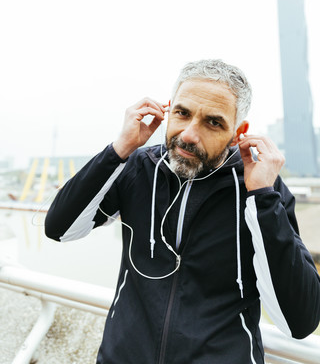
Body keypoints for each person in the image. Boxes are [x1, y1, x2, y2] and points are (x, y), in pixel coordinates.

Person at [45, 59, 320, 364]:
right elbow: (60, 228)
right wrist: (119, 149)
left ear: (237, 133)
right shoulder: (139, 166)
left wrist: (263, 199)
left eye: (213, 122)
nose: (189, 134)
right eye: (182, 113)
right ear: (168, 109)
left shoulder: (261, 189)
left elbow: (300, 322)